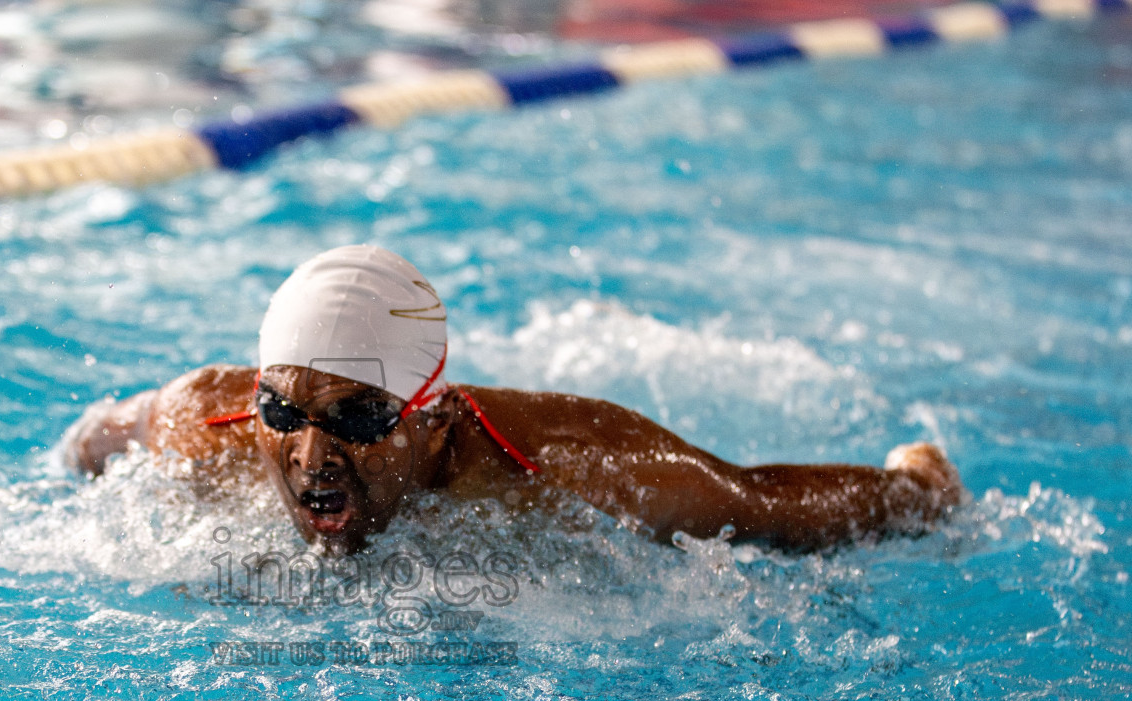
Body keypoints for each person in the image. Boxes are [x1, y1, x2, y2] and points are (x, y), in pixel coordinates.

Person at [65, 245, 962, 555]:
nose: (309, 458)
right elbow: (97, 438)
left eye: (359, 418)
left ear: (436, 412)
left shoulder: (568, 458)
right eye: (285, 413)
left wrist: (918, 491)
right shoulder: (201, 423)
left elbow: (762, 505)